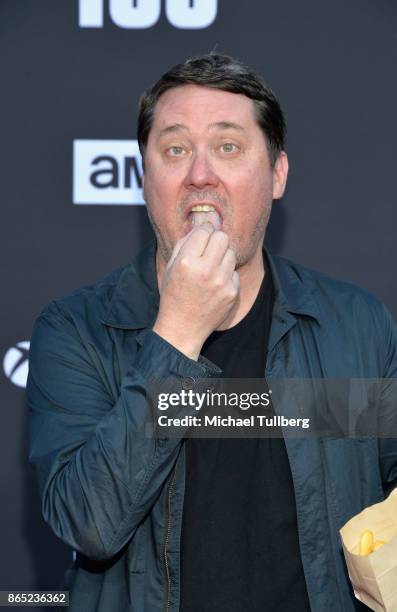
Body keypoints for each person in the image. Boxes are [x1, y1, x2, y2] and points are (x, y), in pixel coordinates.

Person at [26, 54, 397, 612]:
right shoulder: (76, 330)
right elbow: (90, 526)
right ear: (144, 176)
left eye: (228, 147)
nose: (200, 174)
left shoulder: (356, 325)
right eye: (175, 150)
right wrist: (177, 333)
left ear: (277, 174)